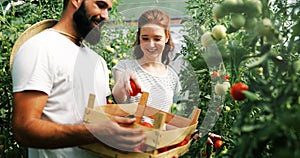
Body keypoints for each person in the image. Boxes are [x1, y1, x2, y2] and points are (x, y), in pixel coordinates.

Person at [11, 0, 146, 157]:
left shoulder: (98, 61)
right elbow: (24, 129)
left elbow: (98, 122)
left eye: (109, 9)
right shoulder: (40, 48)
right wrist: (93, 133)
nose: (106, 16)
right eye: (100, 5)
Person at [112, 8, 221, 147]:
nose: (151, 44)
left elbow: (167, 123)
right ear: (139, 38)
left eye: (157, 38)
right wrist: (125, 76)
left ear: (167, 37)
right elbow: (118, 98)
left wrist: (193, 132)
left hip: (159, 148)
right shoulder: (124, 67)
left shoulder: (171, 77)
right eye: (145, 38)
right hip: (131, 147)